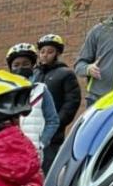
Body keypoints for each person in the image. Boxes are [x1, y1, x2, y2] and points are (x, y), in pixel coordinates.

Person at [33, 33, 81, 172]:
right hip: (32, 130)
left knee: (49, 168)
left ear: (57, 53)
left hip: (53, 135)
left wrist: (56, 123)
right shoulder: (34, 74)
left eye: (50, 52)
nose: (45, 55)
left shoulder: (65, 74)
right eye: (42, 52)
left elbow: (71, 103)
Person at [5, 43, 59, 159]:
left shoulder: (41, 90)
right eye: (16, 65)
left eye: (26, 64)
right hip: (10, 152)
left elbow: (53, 121)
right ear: (11, 68)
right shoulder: (5, 93)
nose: (21, 68)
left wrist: (41, 143)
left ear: (33, 66)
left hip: (35, 153)